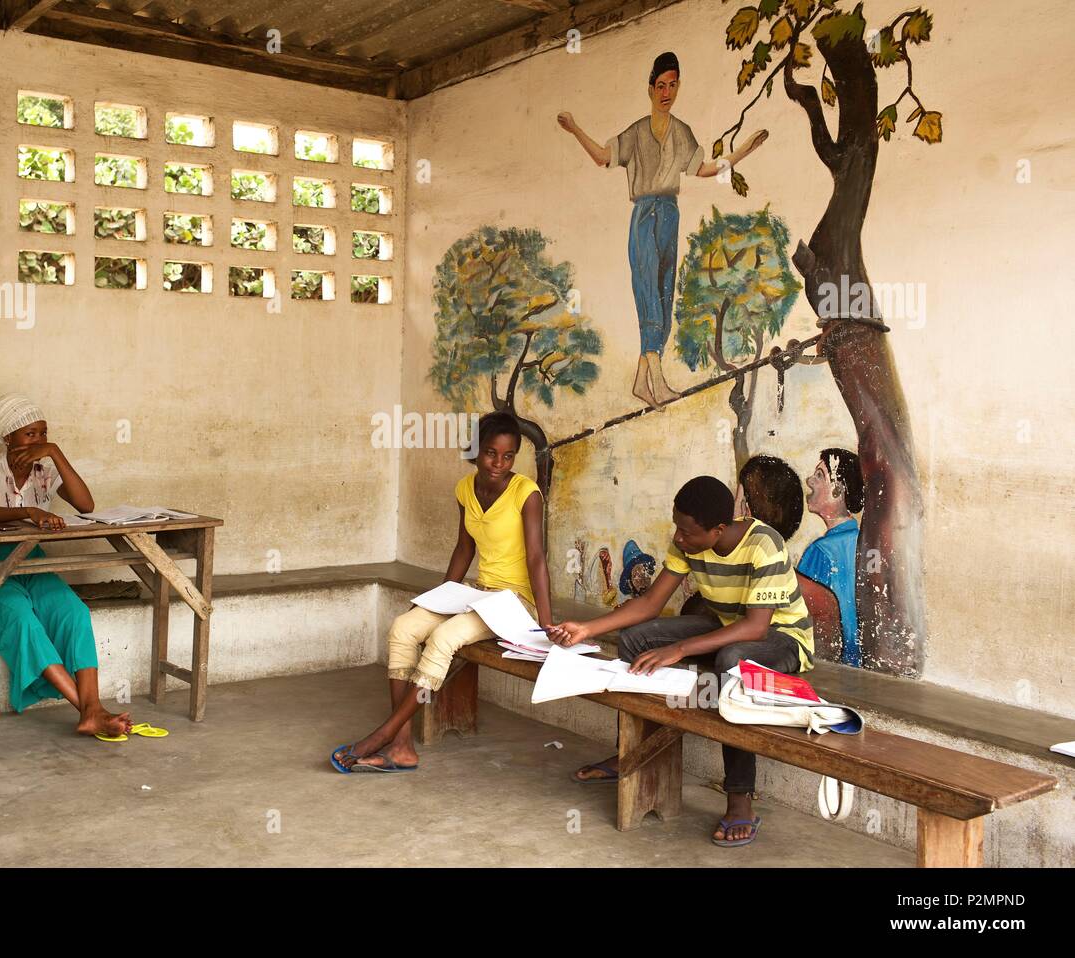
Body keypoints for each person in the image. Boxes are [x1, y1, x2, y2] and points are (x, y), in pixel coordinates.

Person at [547, 476, 814, 847]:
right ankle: (640, 754)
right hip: (725, 627)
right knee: (637, 638)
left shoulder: (763, 544)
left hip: (782, 640)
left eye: (686, 531)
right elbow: (649, 604)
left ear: (719, 530)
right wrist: (585, 629)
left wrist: (682, 649)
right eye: (677, 526)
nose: (677, 538)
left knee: (732, 661)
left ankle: (740, 799)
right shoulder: (689, 544)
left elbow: (755, 628)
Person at [331, 411, 552, 772]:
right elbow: (464, 549)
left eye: (508, 456)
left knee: (444, 638)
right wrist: (439, 596)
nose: (499, 463)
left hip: (514, 602)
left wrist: (545, 624)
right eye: (491, 454)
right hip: (478, 592)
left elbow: (537, 559)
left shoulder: (526, 494)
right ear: (476, 451)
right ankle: (402, 744)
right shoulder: (465, 489)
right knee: (403, 627)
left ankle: (382, 734)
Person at [558, 52, 769, 407]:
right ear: (650, 88)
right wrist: (575, 127)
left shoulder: (682, 132)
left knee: (664, 298)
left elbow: (703, 169)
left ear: (678, 87)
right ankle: (656, 380)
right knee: (648, 297)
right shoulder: (637, 131)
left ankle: (642, 383)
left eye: (672, 85)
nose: (666, 92)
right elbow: (601, 157)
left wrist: (744, 149)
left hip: (670, 213)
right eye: (660, 85)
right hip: (644, 214)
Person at [0, 394, 132, 739]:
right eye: (29, 434)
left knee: (73, 612)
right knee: (22, 619)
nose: (37, 441)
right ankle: (89, 711)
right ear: (8, 438)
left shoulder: (43, 472)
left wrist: (56, 453)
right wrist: (29, 512)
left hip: (28, 559)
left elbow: (85, 503)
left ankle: (93, 709)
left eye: (43, 433)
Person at [797, 449, 863, 667]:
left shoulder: (820, 552)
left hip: (828, 666)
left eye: (819, 475)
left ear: (838, 490)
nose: (809, 481)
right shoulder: (862, 541)